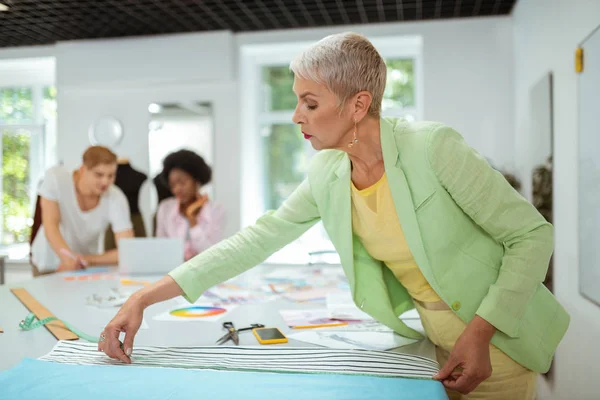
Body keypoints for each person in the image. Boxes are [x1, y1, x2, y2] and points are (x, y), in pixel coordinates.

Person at [99, 33, 569, 400]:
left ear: (358, 104)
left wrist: (482, 332)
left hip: (497, 339)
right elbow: (256, 240)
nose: (296, 117)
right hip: (430, 342)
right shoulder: (328, 170)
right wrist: (146, 296)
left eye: (310, 102)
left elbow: (531, 236)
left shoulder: (432, 147)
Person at [30, 146, 134, 275]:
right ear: (83, 170)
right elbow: (50, 225)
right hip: (48, 262)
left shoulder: (116, 197)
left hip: (84, 266)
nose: (105, 182)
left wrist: (84, 260)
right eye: (99, 174)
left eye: (111, 175)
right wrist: (67, 259)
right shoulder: (56, 179)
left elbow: (127, 250)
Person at [155, 149, 225, 260]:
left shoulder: (215, 210)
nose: (177, 189)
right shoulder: (165, 208)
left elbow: (212, 254)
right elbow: (160, 249)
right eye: (172, 185)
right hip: (173, 271)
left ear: (196, 181)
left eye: (182, 183)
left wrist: (193, 221)